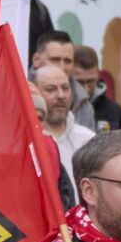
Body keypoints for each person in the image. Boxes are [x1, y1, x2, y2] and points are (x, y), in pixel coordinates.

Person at [32, 65, 95, 198]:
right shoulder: (28, 143)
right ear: (34, 92)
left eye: (65, 88)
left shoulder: (89, 139)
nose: (61, 95)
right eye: (51, 89)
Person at [31, 30, 96, 132]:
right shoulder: (14, 93)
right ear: (36, 60)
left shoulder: (84, 105)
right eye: (55, 60)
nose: (62, 67)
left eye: (68, 61)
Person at [73, 45, 121, 132]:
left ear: (98, 75)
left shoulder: (114, 111)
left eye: (91, 81)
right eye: (80, 82)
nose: (86, 89)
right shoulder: (59, 108)